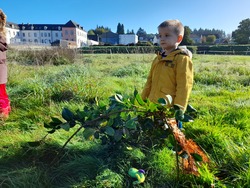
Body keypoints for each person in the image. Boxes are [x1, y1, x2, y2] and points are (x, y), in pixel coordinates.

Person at [141, 19, 193, 122]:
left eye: (167, 35)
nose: (162, 39)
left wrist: (178, 111)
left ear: (179, 38)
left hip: (168, 110)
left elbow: (184, 87)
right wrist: (142, 102)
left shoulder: (182, 59)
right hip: (152, 105)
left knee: (169, 135)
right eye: (160, 35)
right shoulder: (157, 59)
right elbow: (149, 82)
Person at [0, 9, 11, 120]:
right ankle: (5, 110)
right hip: (1, 72)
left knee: (1, 95)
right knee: (2, 93)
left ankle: (4, 114)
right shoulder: (2, 36)